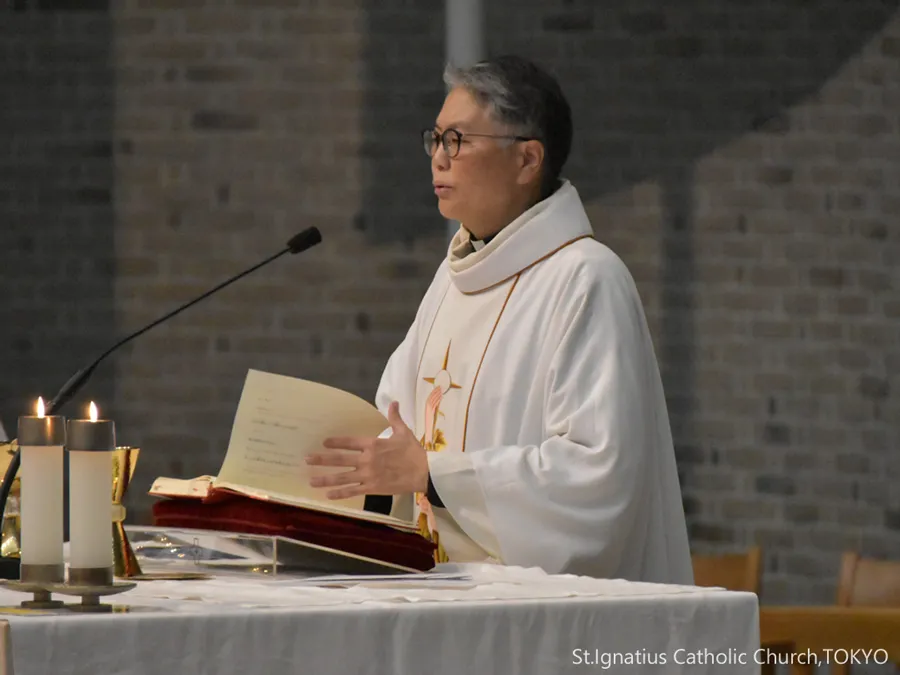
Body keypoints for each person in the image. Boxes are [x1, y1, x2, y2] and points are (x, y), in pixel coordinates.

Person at [306, 55, 693, 584]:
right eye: (435, 139)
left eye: (457, 141)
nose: (438, 159)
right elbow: (393, 423)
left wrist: (435, 476)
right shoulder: (452, 279)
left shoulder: (586, 281)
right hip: (440, 596)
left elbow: (596, 481)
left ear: (527, 159)